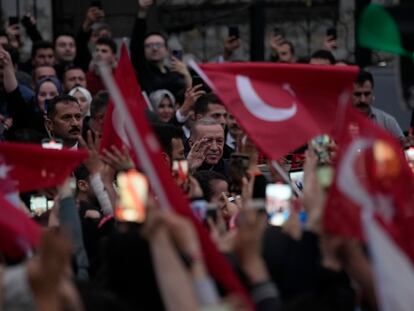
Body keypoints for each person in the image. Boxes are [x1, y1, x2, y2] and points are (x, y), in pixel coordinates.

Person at [130, 0, 191, 96]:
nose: (154, 49)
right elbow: (136, 43)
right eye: (149, 46)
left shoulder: (173, 74)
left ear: (167, 50)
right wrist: (142, 12)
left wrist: (187, 76)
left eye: (158, 45)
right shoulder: (144, 71)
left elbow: (187, 99)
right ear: (144, 51)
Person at [352, 70, 404, 141]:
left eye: (367, 94)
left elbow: (402, 147)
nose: (362, 100)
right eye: (357, 94)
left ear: (372, 93)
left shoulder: (387, 122)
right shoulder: (339, 122)